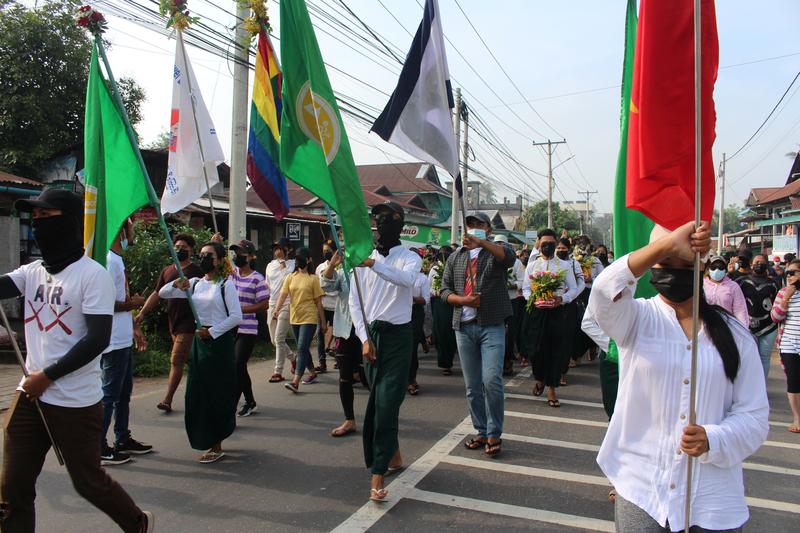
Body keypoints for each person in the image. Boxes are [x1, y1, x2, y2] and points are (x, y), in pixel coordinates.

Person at [588, 221, 768, 532]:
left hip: (712, 499)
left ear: (702, 268)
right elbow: (603, 292)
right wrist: (667, 244)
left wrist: (714, 438)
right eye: (665, 263)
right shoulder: (635, 320)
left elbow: (754, 417)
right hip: (642, 490)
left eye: (685, 264)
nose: (675, 270)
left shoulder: (736, 337)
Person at [0, 189, 153, 532]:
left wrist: (48, 376)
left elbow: (96, 338)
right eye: (34, 219)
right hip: (30, 397)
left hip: (74, 401)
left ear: (68, 222)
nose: (38, 225)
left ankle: (136, 522)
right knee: (12, 487)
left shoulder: (91, 275)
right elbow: (3, 287)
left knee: (87, 482)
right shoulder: (32, 272)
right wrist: (37, 381)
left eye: (46, 217)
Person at [349, 201, 421, 502]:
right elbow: (356, 302)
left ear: (400, 225)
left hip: (399, 338)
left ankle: (377, 474)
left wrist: (374, 265)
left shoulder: (410, 257)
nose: (381, 224)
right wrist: (364, 338)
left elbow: (406, 281)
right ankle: (394, 456)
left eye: (389, 219)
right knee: (380, 402)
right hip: (372, 337)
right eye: (378, 219)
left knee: (386, 404)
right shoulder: (363, 258)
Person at [159, 241, 242, 464]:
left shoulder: (226, 285)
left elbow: (236, 317)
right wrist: (177, 283)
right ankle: (204, 436)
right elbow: (163, 292)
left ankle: (216, 444)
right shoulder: (194, 284)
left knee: (216, 394)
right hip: (200, 345)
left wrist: (212, 332)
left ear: (220, 260)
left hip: (219, 343)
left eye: (210, 255)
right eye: (202, 255)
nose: (204, 259)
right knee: (196, 393)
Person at [441, 212, 516, 456]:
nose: (473, 228)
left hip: (491, 325)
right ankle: (482, 431)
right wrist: (461, 300)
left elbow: (509, 259)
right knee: (472, 386)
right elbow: (443, 290)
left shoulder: (496, 250)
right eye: (470, 224)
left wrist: (482, 242)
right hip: (463, 327)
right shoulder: (455, 257)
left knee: (491, 380)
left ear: (488, 229)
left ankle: (495, 432)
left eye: (479, 225)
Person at [100, 221, 153, 466]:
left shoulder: (117, 261)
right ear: (121, 231)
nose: (133, 235)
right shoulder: (110, 262)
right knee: (109, 395)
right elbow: (104, 303)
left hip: (122, 337)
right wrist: (134, 304)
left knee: (123, 394)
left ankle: (122, 438)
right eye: (131, 229)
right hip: (111, 339)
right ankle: (98, 445)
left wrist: (134, 326)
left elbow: (122, 299)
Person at [137, 233, 203, 413]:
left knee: (176, 360)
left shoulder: (196, 271)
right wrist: (142, 313)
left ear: (191, 251)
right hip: (173, 322)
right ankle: (206, 389)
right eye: (177, 248)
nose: (180, 250)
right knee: (191, 361)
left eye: (184, 248)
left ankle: (167, 399)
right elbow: (157, 293)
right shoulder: (167, 271)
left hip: (190, 323)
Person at [521, 229, 580, 407]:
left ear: (556, 244)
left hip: (557, 313)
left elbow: (574, 288)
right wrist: (533, 299)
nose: (547, 246)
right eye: (544, 243)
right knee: (536, 350)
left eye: (551, 243)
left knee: (555, 351)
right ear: (538, 243)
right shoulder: (532, 266)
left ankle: (551, 389)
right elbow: (525, 289)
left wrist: (562, 299)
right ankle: (539, 378)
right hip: (537, 313)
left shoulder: (564, 266)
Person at [321, 246, 367, 438]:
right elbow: (326, 285)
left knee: (371, 379)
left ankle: (379, 419)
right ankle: (349, 420)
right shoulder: (343, 272)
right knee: (345, 378)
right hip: (345, 331)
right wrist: (332, 264)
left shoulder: (371, 271)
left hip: (367, 333)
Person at [272, 247, 326, 393]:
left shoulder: (313, 279)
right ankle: (313, 373)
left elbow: (318, 303)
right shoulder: (291, 277)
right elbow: (283, 295)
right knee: (303, 348)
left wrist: (323, 322)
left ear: (309, 260)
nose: (299, 260)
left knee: (301, 348)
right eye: (297, 257)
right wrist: (276, 310)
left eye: (302, 257)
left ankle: (295, 382)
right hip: (295, 317)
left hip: (309, 317)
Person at [230, 240, 269, 417]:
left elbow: (264, 304)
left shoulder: (257, 279)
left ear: (251, 256)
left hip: (247, 328)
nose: (237, 256)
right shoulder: (232, 275)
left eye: (241, 253)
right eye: (235, 253)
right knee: (235, 367)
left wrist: (241, 310)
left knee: (239, 364)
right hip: (230, 328)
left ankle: (240, 403)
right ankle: (248, 400)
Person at [737, 254, 781, 380]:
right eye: (756, 262)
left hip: (769, 327)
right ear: (751, 264)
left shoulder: (773, 283)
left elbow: (778, 303)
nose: (759, 264)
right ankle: (747, 386)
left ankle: (762, 388)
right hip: (746, 326)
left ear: (767, 265)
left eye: (762, 262)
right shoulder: (741, 281)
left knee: (764, 357)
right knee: (746, 357)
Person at [770, 259, 800, 434]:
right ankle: (797, 417)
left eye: (793, 273)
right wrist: (786, 298)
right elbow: (775, 317)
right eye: (787, 273)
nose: (789, 276)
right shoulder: (783, 293)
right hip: (789, 343)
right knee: (794, 381)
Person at [265, 238, 296, 383]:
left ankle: (277, 371)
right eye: (275, 248)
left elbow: (288, 281)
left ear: (288, 249)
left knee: (279, 338)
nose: (277, 251)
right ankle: (293, 358)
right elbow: (268, 284)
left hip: (286, 304)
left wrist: (283, 264)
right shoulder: (270, 265)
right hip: (272, 304)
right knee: (274, 340)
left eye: (280, 248)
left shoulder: (293, 265)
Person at [556, 237, 585, 386]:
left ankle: (561, 372)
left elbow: (581, 283)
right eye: (558, 248)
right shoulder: (549, 262)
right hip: (552, 305)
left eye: (563, 248)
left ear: (569, 248)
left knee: (566, 339)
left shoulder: (574, 263)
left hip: (569, 305)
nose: (560, 250)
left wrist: (570, 295)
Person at [496, 234, 525, 376]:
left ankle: (507, 360)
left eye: (503, 244)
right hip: (494, 302)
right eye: (497, 244)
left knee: (510, 332)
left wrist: (511, 285)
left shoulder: (516, 263)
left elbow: (522, 281)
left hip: (512, 301)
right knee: (495, 333)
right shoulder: (490, 259)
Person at [429, 245, 457, 375]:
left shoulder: (455, 267)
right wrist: (436, 292)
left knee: (451, 332)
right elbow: (429, 288)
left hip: (453, 302)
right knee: (440, 332)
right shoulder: (435, 269)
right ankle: (444, 362)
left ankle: (449, 360)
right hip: (439, 303)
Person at [704, 255, 749, 326]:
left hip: (727, 327)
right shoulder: (701, 284)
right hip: (705, 327)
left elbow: (740, 310)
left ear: (725, 269)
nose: (717, 270)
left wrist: (743, 330)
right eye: (713, 267)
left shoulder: (733, 286)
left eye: (720, 267)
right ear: (708, 269)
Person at [314, 239, 338, 373]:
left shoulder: (340, 266)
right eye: (324, 251)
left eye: (328, 251)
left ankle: (339, 360)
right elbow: (318, 287)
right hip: (324, 305)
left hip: (337, 306)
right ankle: (322, 363)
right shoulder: (320, 267)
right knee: (320, 334)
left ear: (335, 251)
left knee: (339, 335)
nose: (325, 253)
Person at [408, 259, 430, 395]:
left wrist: (413, 298)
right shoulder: (397, 274)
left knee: (411, 347)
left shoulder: (422, 279)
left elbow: (425, 299)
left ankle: (411, 380)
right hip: (398, 312)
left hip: (415, 313)